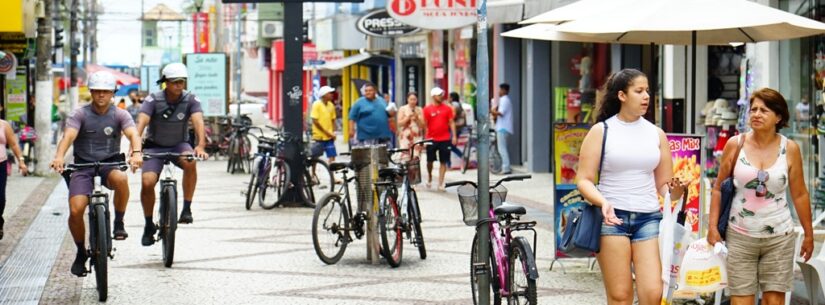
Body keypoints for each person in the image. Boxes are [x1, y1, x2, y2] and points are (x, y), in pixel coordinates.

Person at [576, 69, 685, 305]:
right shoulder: (601, 131)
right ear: (622, 95)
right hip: (612, 219)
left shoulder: (656, 134)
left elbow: (664, 186)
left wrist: (676, 191)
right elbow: (583, 179)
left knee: (653, 294)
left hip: (648, 219)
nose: (646, 96)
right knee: (620, 296)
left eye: (647, 90)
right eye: (639, 91)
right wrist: (603, 201)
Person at [707, 88, 814, 305]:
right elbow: (718, 188)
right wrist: (711, 227)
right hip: (739, 236)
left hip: (780, 237)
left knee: (773, 302)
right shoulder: (735, 145)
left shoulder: (790, 149)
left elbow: (800, 194)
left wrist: (809, 234)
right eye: (753, 109)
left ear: (779, 117)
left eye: (764, 110)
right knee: (741, 302)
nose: (756, 114)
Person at [49, 71, 143, 277]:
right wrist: (59, 156)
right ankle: (81, 252)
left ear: (113, 93)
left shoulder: (120, 114)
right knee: (75, 211)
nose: (101, 95)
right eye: (97, 91)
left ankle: (119, 222)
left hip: (110, 164)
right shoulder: (79, 114)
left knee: (121, 178)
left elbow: (133, 134)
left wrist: (136, 152)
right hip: (83, 167)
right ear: (91, 92)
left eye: (106, 92)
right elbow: (69, 136)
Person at [137, 62, 209, 247]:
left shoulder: (191, 99)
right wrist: (136, 150)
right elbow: (140, 125)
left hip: (180, 145)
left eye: (182, 81)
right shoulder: (152, 100)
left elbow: (198, 121)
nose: (179, 85)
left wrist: (200, 146)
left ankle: (186, 208)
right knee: (147, 182)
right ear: (165, 82)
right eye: (175, 82)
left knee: (190, 162)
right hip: (154, 147)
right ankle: (148, 224)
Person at [422, 87, 456, 191]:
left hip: (445, 138)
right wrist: (424, 139)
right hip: (431, 139)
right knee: (429, 161)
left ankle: (441, 183)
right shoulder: (427, 109)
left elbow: (451, 122)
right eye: (438, 95)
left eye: (441, 94)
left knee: (444, 161)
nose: (441, 96)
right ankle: (430, 176)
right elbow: (424, 125)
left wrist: (454, 136)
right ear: (433, 96)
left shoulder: (447, 108)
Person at [0, 117, 28, 240]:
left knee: (0, 199)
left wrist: (21, 161)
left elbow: (14, 144)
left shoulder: (4, 125)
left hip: (0, 164)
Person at [311, 86, 337, 163]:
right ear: (324, 95)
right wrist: (327, 132)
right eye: (330, 93)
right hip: (319, 136)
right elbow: (315, 121)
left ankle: (331, 172)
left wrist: (333, 132)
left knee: (332, 155)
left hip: (329, 137)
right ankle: (313, 174)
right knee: (315, 156)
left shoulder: (331, 105)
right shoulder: (316, 104)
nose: (332, 95)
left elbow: (333, 119)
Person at [491, 83, 513, 174]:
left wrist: (492, 111)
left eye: (500, 90)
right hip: (503, 127)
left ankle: (506, 168)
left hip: (502, 128)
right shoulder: (505, 100)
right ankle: (505, 167)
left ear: (504, 90)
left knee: (502, 149)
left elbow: (501, 113)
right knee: (502, 148)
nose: (499, 92)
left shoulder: (504, 100)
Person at [397, 92, 425, 159]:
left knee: (416, 156)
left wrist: (417, 119)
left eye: (414, 99)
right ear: (407, 99)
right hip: (406, 135)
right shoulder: (402, 109)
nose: (412, 101)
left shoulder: (419, 109)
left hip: (417, 135)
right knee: (405, 156)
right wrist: (408, 118)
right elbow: (399, 123)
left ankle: (415, 169)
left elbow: (423, 125)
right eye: (411, 99)